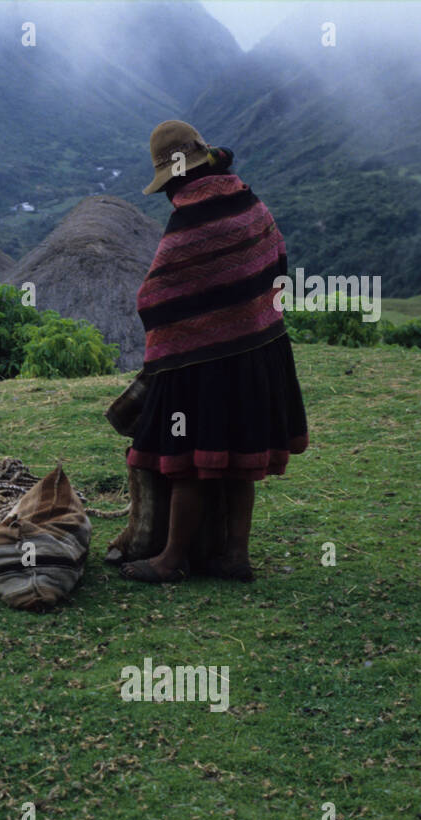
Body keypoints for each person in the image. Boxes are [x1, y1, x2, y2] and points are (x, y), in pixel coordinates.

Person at [119, 120, 308, 583]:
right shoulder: (248, 201)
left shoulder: (189, 223)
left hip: (200, 364)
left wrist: (181, 338)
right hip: (258, 351)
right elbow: (276, 258)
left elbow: (156, 298)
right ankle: (235, 556)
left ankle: (170, 560)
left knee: (189, 463)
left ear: (176, 176)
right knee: (240, 460)